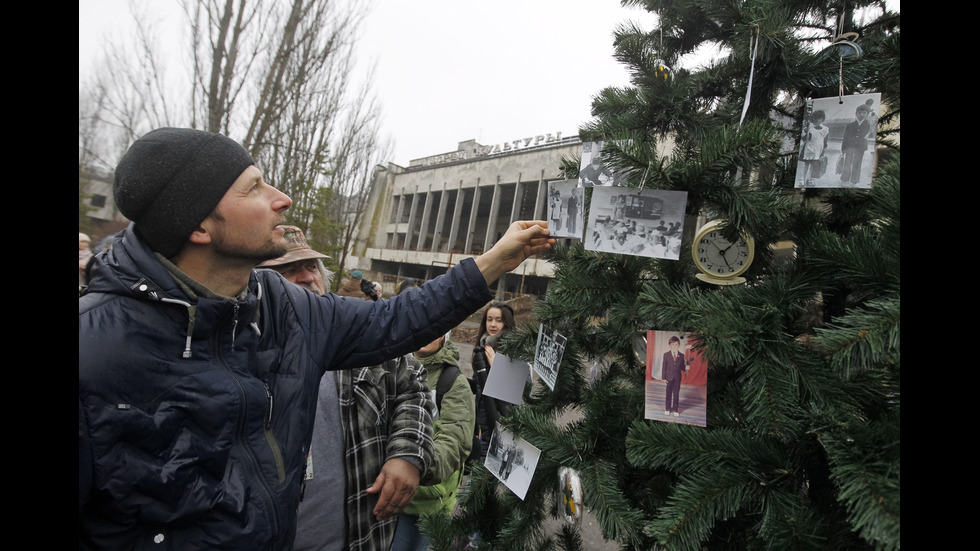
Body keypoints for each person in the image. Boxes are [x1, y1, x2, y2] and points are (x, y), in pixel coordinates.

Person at [78, 126, 554, 549]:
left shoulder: (282, 306)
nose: (281, 197)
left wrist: (493, 261)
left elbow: (395, 321)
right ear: (199, 226)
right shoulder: (93, 349)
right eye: (254, 189)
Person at [257, 226, 430, 551]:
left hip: (361, 538)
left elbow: (414, 384)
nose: (307, 277)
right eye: (288, 270)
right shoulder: (240, 351)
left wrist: (408, 452)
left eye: (311, 267)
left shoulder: (355, 332)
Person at [391, 332, 475, 551]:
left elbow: (455, 441)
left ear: (444, 336)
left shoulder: (454, 382)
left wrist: (413, 465)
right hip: (385, 493)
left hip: (426, 505)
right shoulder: (391, 366)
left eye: (435, 328)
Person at [471, 301, 516, 460]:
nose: (493, 324)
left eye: (498, 320)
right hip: (482, 425)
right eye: (489, 319)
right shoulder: (483, 347)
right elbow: (479, 385)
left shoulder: (514, 350)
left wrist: (498, 366)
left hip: (499, 427)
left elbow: (519, 392)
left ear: (507, 322)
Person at [838, 102, 873, 186]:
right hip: (850, 147)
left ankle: (854, 181)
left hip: (861, 148)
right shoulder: (850, 125)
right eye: (859, 113)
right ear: (856, 114)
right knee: (847, 163)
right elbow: (845, 137)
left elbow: (868, 135)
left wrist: (869, 134)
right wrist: (843, 149)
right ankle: (844, 179)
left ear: (867, 114)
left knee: (857, 163)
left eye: (864, 113)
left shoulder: (868, 125)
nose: (861, 114)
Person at [800, 109, 830, 184]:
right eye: (815, 118)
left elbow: (825, 140)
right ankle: (802, 178)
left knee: (813, 164)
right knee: (807, 163)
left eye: (819, 118)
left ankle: (810, 178)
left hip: (818, 149)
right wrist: (804, 132)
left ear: (822, 119)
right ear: (812, 119)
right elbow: (805, 139)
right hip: (809, 148)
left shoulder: (825, 129)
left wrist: (824, 149)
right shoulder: (809, 128)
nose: (817, 120)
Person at [662, 336, 688, 416]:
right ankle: (667, 408)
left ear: (679, 345)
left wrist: (687, 367)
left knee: (676, 394)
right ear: (669, 345)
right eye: (673, 344)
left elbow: (683, 368)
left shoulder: (682, 356)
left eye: (676, 344)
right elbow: (664, 367)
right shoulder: (666, 355)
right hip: (668, 378)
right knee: (668, 394)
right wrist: (663, 378)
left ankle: (676, 410)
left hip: (677, 378)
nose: (674, 346)